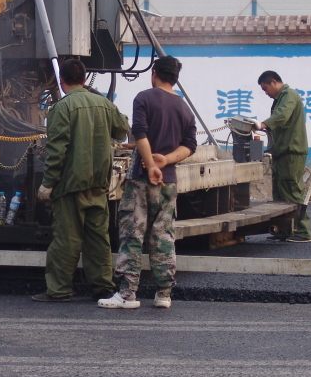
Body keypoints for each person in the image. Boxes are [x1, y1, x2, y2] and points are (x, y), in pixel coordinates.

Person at [99, 56, 196, 310]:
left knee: (132, 233)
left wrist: (151, 165)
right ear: (175, 78)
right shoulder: (184, 108)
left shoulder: (144, 98)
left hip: (141, 179)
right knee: (163, 236)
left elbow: (139, 132)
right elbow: (189, 146)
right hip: (169, 182)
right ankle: (164, 293)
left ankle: (128, 294)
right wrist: (165, 161)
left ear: (154, 73)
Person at [33, 59, 130, 302]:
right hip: (99, 184)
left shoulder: (62, 108)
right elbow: (122, 130)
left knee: (67, 239)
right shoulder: (104, 104)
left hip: (71, 185)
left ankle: (59, 290)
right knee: (98, 239)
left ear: (61, 81)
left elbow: (57, 151)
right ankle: (104, 288)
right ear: (85, 79)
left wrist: (48, 183)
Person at [256, 71, 311, 242]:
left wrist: (263, 124)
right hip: (281, 151)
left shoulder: (289, 95)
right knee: (280, 193)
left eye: (266, 89)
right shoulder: (280, 98)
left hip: (291, 151)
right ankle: (283, 230)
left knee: (292, 191)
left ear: (274, 82)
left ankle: (302, 231)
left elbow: (281, 115)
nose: (266, 93)